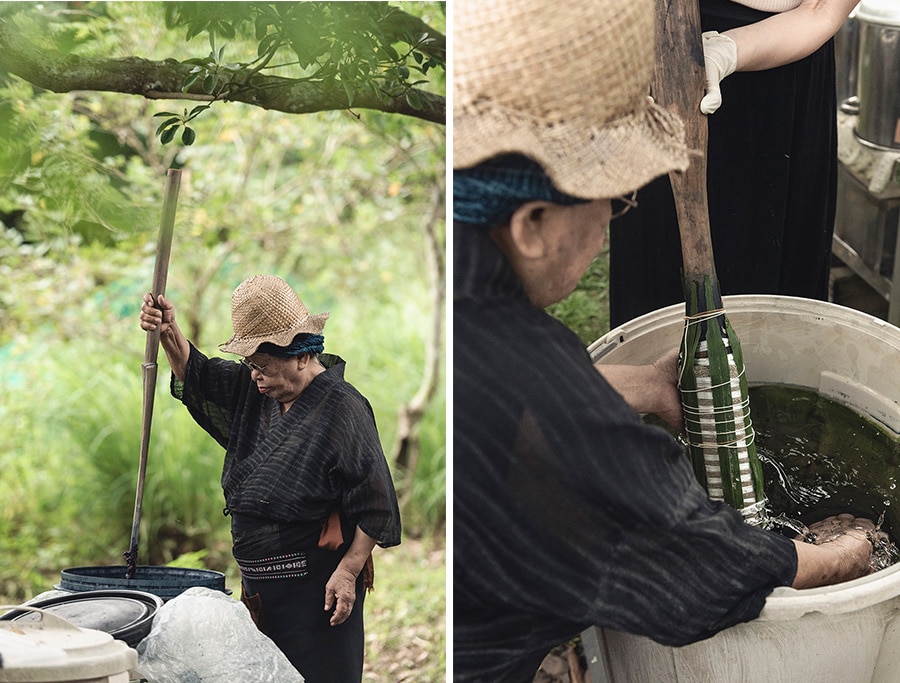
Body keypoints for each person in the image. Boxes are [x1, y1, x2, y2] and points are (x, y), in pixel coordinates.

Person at [452, 0, 873, 680]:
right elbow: (694, 572)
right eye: (613, 202)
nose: (608, 228)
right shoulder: (538, 380)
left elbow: (520, 402)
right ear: (531, 222)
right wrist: (840, 555)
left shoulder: (463, 293)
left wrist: (646, 385)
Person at [139, 274, 401, 682]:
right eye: (250, 366)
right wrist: (168, 331)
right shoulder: (255, 391)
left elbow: (376, 500)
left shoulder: (343, 408)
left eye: (263, 366)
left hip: (319, 587)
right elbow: (200, 376)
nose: (255, 376)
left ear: (300, 355)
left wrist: (349, 571)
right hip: (262, 589)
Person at [609, 0, 859, 327]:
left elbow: (822, 9)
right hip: (658, 54)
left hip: (778, 73)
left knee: (765, 299)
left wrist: (724, 50)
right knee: (656, 273)